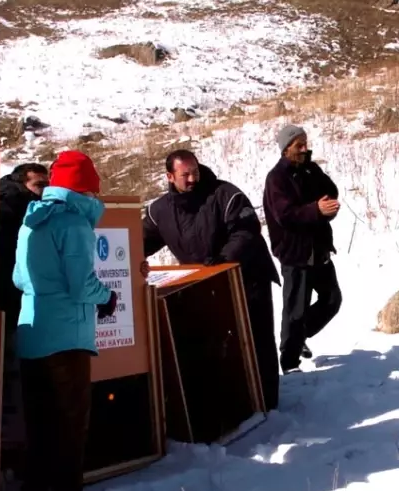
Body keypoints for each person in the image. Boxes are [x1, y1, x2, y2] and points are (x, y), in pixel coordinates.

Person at [12, 150, 116, 491]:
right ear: (86, 187)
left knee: (39, 421)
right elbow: (81, 284)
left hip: (32, 331)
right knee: (70, 421)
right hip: (67, 336)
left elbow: (19, 280)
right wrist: (108, 297)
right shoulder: (74, 224)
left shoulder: (31, 221)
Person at [142, 149, 282, 409]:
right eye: (185, 175)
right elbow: (142, 240)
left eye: (195, 172)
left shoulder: (225, 194)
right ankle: (234, 402)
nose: (192, 178)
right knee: (220, 344)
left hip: (247, 277)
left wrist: (223, 258)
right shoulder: (161, 210)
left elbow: (246, 230)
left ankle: (266, 402)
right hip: (206, 286)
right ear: (170, 176)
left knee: (257, 339)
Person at [262, 124, 343, 374]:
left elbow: (331, 191)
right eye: (299, 145)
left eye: (305, 143)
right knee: (295, 311)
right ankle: (289, 362)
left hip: (319, 249)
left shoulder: (311, 168)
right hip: (295, 254)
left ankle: (297, 339)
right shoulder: (276, 178)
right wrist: (316, 210)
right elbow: (285, 215)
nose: (305, 148)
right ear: (286, 149)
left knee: (332, 300)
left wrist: (325, 202)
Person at [0, 162, 48, 478]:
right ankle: (14, 456)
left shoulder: (9, 207)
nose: (45, 191)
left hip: (9, 306)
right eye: (39, 185)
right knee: (15, 383)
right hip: (13, 307)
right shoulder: (15, 210)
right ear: (21, 183)